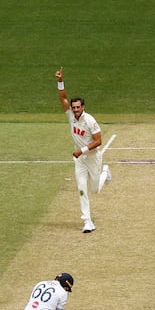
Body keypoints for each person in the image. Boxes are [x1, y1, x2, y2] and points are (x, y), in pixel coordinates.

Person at [55, 67, 111, 233]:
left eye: (78, 107)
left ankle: (105, 174)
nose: (76, 109)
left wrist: (82, 150)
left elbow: (99, 141)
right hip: (79, 160)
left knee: (95, 189)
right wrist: (60, 81)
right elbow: (63, 97)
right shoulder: (71, 115)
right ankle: (87, 221)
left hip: (92, 157)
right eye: (74, 107)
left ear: (83, 107)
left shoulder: (90, 120)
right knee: (81, 188)